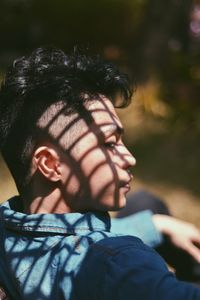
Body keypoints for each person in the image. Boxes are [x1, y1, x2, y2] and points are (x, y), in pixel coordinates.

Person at [0, 46, 200, 299]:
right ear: (50, 164)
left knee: (146, 203)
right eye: (109, 143)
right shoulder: (119, 264)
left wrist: (154, 225)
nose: (129, 158)